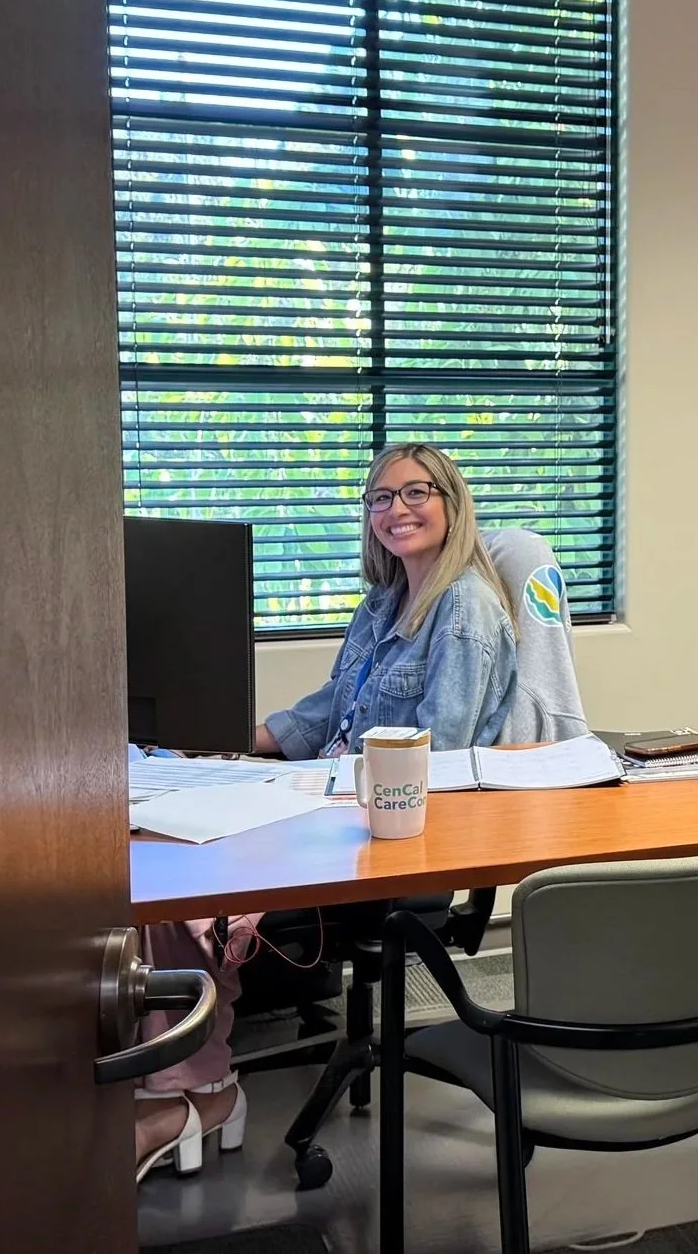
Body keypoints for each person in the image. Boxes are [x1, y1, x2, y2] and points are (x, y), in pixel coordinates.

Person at [134, 442, 520, 1180]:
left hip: (388, 833)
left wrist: (309, 788)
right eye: (380, 497)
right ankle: (173, 1081)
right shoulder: (382, 603)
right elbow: (322, 714)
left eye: (416, 492)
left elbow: (437, 759)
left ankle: (200, 1095)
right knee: (159, 852)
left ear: (451, 502)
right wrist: (211, 741)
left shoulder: (463, 609)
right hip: (330, 801)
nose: (396, 509)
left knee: (190, 890)